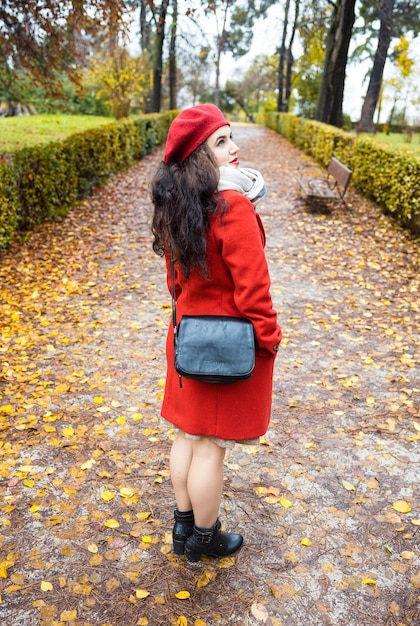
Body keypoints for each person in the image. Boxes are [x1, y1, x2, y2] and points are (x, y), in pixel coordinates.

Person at [151, 104, 282, 563]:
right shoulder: (233, 206)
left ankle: (182, 528)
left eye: (231, 137)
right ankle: (204, 539)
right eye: (221, 142)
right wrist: (270, 338)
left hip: (186, 339)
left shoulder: (180, 205)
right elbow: (254, 290)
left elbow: (174, 282)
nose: (236, 148)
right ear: (199, 159)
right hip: (223, 347)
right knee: (209, 448)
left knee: (186, 436)